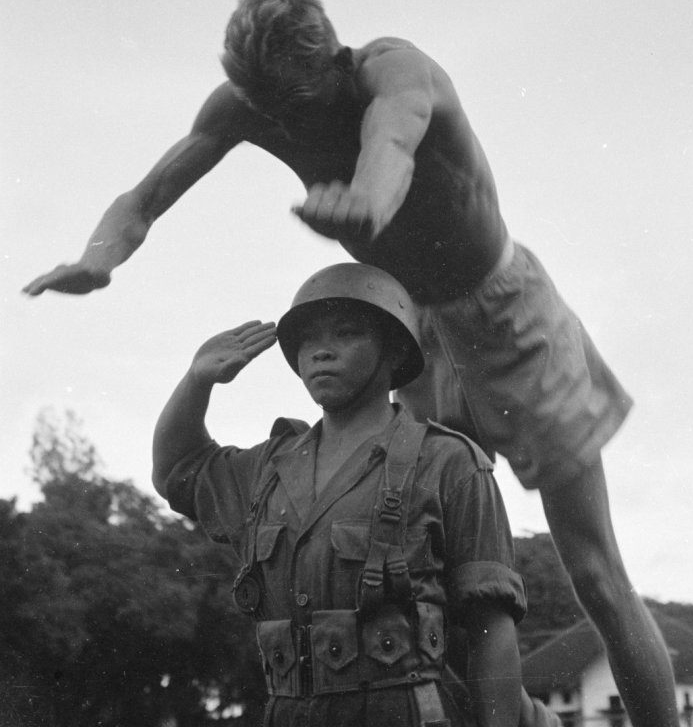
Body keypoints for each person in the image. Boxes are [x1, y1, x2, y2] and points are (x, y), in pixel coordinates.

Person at [28, 0, 679, 727]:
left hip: (505, 315)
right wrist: (99, 259)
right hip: (410, 336)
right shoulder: (245, 106)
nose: (287, 128)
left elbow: (390, 145)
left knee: (594, 573)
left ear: (337, 63)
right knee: (420, 577)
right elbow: (142, 199)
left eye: (300, 110)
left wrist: (367, 202)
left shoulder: (397, 71)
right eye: (272, 116)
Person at [151, 262, 530, 727]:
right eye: (308, 340)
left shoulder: (449, 462)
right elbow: (177, 470)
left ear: (394, 350)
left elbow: (493, 630)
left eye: (347, 333)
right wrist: (196, 381)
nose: (321, 351)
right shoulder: (269, 468)